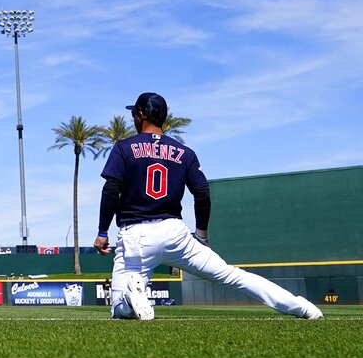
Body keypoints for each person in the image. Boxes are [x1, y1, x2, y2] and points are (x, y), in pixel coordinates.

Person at [94, 92, 323, 320]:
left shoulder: (124, 147)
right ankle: (303, 308)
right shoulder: (185, 152)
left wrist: (103, 231)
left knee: (118, 311)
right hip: (175, 234)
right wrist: (201, 235)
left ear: (141, 115)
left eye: (135, 113)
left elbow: (112, 189)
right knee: (233, 275)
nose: (134, 117)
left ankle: (130, 296)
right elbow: (202, 192)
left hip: (137, 237)